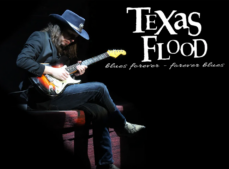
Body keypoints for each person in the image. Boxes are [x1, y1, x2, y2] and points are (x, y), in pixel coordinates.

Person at [16, 9, 145, 169]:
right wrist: (52, 71)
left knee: (101, 111)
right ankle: (122, 125)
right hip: (39, 99)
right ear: (58, 28)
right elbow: (22, 60)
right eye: (69, 35)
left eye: (74, 38)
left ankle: (105, 163)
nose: (71, 40)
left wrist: (75, 70)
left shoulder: (61, 50)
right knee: (99, 88)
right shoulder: (40, 38)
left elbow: (60, 78)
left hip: (57, 95)